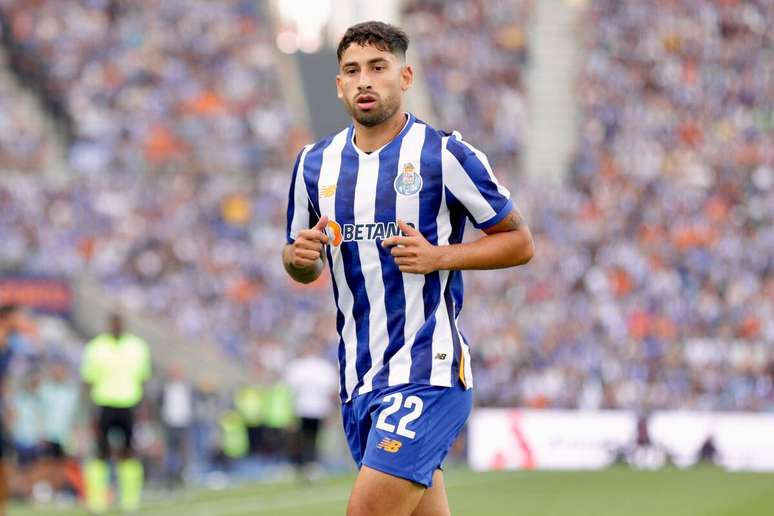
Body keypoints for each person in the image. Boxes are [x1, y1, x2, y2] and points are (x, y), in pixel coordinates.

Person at [282, 21, 534, 516]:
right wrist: (299, 259)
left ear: (406, 76)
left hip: (427, 371)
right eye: (352, 71)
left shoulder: (444, 154)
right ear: (338, 85)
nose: (364, 81)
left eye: (378, 68)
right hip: (359, 381)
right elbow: (299, 261)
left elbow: (519, 242)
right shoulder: (313, 164)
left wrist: (440, 255)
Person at [80, 314, 151, 513]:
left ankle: (130, 500)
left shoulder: (137, 347)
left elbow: (143, 379)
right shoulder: (96, 347)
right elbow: (88, 380)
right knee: (100, 452)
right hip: (103, 403)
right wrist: (88, 411)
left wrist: (143, 409)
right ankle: (97, 501)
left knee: (129, 451)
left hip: (129, 404)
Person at [284, 341, 338, 478]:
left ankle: (309, 464)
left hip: (315, 408)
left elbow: (331, 392)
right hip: (303, 408)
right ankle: (302, 464)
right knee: (304, 438)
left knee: (312, 438)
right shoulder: (302, 366)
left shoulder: (319, 367)